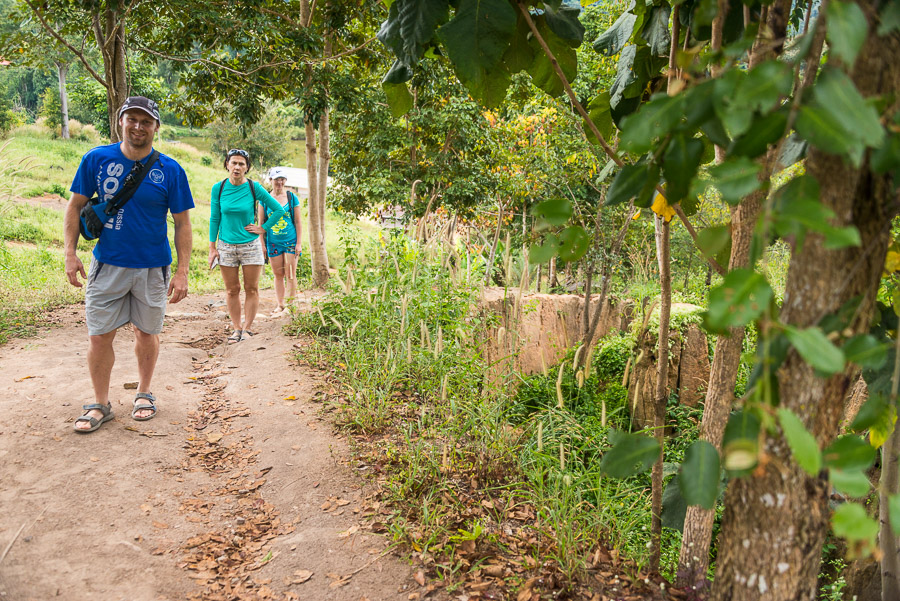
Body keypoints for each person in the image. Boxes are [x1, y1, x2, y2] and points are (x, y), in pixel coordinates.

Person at [64, 96, 194, 433]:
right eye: (132, 119)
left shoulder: (171, 170)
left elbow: (182, 223)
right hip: (107, 264)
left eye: (146, 121)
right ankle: (99, 404)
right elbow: (74, 206)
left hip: (152, 266)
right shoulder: (96, 159)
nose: (138, 126)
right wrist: (70, 253)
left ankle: (144, 392)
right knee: (99, 336)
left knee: (147, 333)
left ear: (156, 127)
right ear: (121, 120)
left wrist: (182, 272)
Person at [208, 149, 285, 343]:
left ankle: (248, 329)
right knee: (232, 290)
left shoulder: (254, 187)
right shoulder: (218, 188)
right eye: (233, 163)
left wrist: (262, 228)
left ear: (247, 168)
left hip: (250, 245)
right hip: (226, 246)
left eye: (241, 164)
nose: (237, 167)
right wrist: (212, 247)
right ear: (227, 164)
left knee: (252, 288)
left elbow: (277, 210)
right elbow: (215, 217)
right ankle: (236, 328)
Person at [258, 167, 302, 316]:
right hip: (273, 242)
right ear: (270, 180)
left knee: (291, 274)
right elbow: (261, 224)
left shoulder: (291, 198)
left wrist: (299, 243)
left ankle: (291, 305)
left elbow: (297, 221)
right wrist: (262, 244)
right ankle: (280, 304)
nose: (280, 182)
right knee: (278, 274)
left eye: (282, 179)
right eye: (277, 179)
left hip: (290, 241)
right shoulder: (264, 199)